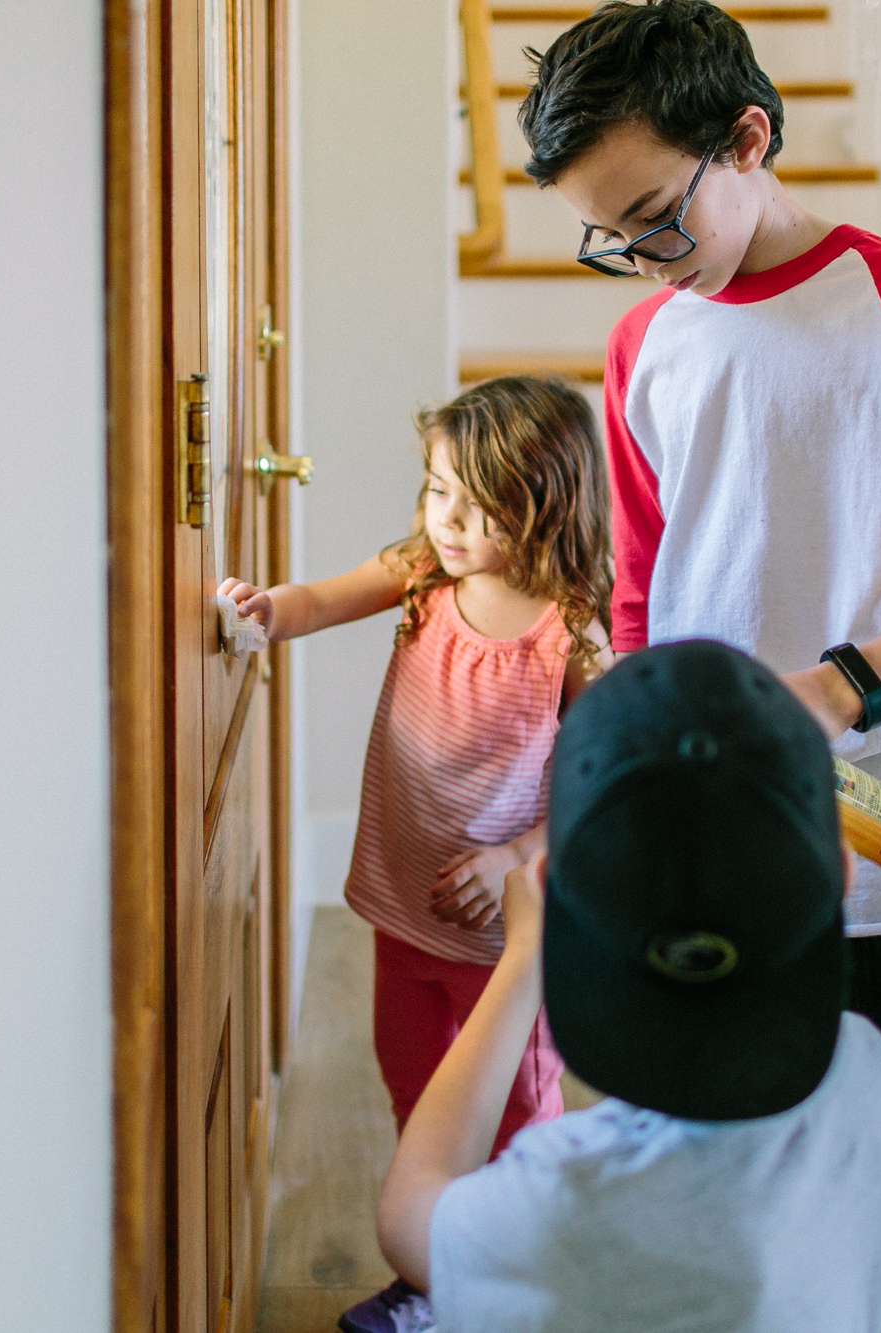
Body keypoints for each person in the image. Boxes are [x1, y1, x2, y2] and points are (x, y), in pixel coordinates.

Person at [515, 4, 881, 1328]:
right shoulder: (646, 339)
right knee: (725, 1179)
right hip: (711, 815)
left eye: (656, 217)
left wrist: (835, 687)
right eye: (609, 237)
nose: (639, 260)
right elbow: (648, 584)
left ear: (748, 138)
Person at [377, 639, 881, 1333]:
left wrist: (521, 962)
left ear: (551, 888)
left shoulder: (554, 1201)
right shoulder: (868, 1071)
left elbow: (409, 1215)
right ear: (840, 876)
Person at [219, 375, 613, 1333]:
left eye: (478, 506)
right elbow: (319, 600)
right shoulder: (423, 573)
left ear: (546, 508)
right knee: (419, 1090)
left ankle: (527, 1284)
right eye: (439, 490)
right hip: (407, 904)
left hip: (505, 943)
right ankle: (438, 1273)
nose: (449, 519)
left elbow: (600, 785)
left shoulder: (572, 638)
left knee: (517, 1115)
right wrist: (264, 608)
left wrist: (516, 850)